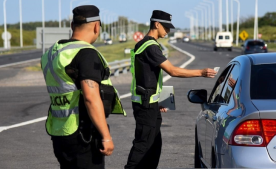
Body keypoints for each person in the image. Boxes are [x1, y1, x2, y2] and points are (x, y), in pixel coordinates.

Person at [124, 10, 217, 169]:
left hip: (149, 103)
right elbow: (172, 71)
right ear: (157, 24)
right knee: (143, 146)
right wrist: (200, 72)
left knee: (153, 147)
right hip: (146, 106)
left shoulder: (142, 44)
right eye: (166, 27)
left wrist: (159, 98)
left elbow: (148, 76)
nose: (167, 31)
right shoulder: (151, 47)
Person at [40, 5, 125, 169]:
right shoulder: (86, 53)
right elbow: (90, 97)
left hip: (59, 131)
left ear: (72, 26)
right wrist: (106, 136)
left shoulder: (52, 54)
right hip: (83, 133)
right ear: (96, 26)